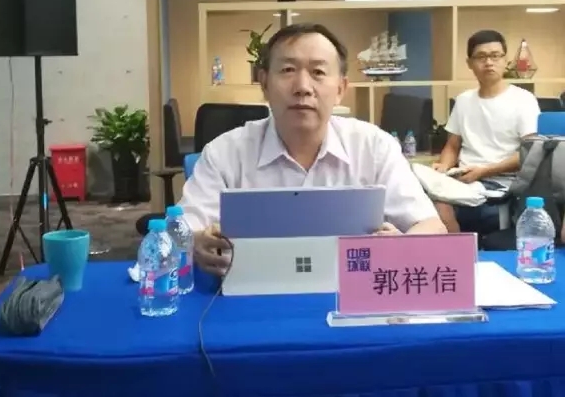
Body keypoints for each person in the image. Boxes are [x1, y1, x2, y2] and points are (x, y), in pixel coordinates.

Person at [179, 23, 446, 276]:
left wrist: (402, 246)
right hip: (250, 296)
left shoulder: (375, 147)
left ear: (340, 88)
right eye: (287, 70)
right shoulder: (225, 152)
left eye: (318, 72)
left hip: (354, 295)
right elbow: (179, 231)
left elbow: (432, 226)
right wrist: (196, 242)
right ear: (264, 83)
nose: (303, 88)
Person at [433, 29, 540, 234]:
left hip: (501, 182)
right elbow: (452, 146)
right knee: (418, 192)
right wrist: (444, 166)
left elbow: (530, 152)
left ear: (505, 60)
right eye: (481, 57)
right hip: (464, 179)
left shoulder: (523, 100)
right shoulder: (464, 100)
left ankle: (457, 244)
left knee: (443, 206)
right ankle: (455, 244)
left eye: (495, 56)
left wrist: (484, 171)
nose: (489, 62)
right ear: (470, 63)